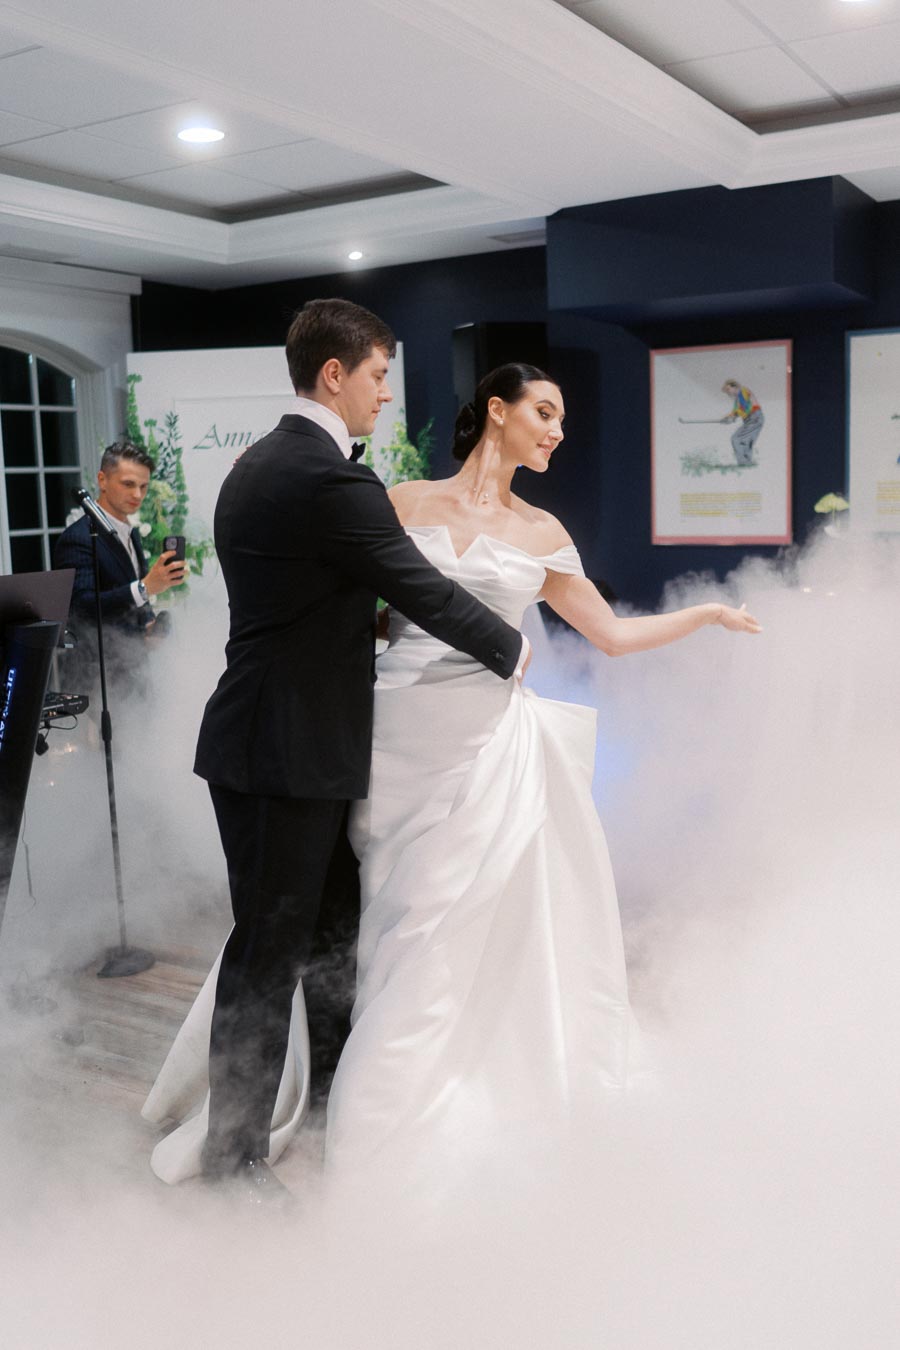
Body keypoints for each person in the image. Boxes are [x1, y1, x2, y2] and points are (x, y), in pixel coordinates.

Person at [144, 362, 759, 1198]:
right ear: (496, 411)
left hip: (474, 747)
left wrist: (708, 615)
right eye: (545, 411)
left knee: (430, 929)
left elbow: (610, 635)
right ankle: (295, 1094)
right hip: (376, 737)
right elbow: (354, 611)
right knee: (328, 921)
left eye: (563, 419)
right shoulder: (399, 501)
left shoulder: (543, 533)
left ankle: (396, 1102)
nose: (557, 431)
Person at [149, 300, 527, 1203]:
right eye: (379, 376)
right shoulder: (327, 480)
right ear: (336, 375)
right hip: (281, 754)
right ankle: (233, 1157)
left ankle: (320, 1104)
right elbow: (422, 589)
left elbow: (320, 599)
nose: (385, 396)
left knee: (324, 939)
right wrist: (514, 652)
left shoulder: (258, 462)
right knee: (267, 954)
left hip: (278, 746)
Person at [53, 441, 186, 689]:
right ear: (102, 480)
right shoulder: (77, 538)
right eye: (128, 484)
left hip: (134, 669)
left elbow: (129, 597)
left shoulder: (130, 533)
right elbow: (81, 607)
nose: (138, 495)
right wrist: (145, 587)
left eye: (143, 486)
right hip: (98, 678)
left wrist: (149, 625)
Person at [720, 379, 764, 466]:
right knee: (746, 441)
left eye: (728, 389)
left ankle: (743, 462)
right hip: (753, 419)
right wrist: (728, 417)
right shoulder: (738, 398)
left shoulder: (742, 391)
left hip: (754, 418)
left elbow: (744, 407)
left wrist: (732, 417)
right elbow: (737, 411)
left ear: (735, 386)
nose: (728, 392)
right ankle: (747, 463)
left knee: (736, 439)